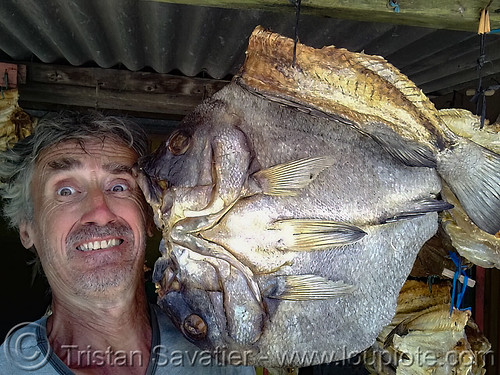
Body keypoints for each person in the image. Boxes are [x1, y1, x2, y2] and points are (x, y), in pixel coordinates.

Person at [0, 112, 256, 374]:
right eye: (66, 191)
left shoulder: (221, 356)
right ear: (27, 229)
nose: (100, 212)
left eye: (119, 186)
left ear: (148, 217)